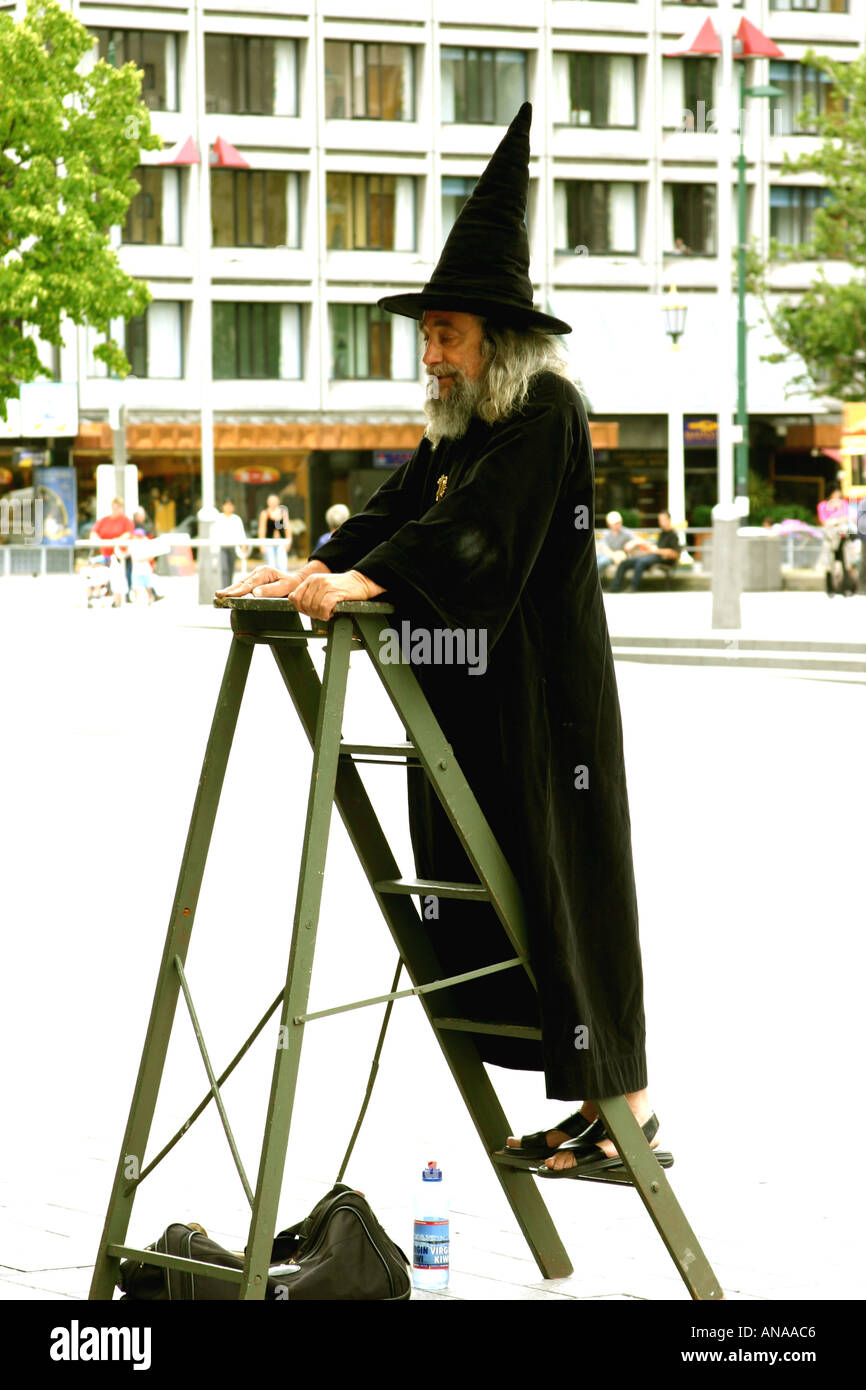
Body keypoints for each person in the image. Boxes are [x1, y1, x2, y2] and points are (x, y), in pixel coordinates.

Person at [217, 103, 660, 1178]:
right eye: (426, 335)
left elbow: (474, 537)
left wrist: (370, 577)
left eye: (445, 333)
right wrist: (316, 566)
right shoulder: (457, 429)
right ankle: (596, 1107)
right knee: (495, 891)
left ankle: (627, 1112)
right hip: (474, 702)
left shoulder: (545, 412)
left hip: (545, 713)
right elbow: (395, 512)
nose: (431, 352)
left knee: (562, 891)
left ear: (495, 340)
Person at [610, 510, 682, 592]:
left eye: (663, 520)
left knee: (641, 562)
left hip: (664, 559)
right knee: (625, 562)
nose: (660, 522)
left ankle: (633, 587)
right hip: (654, 556)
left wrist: (656, 550)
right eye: (659, 520)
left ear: (669, 520)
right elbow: (656, 547)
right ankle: (615, 588)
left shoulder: (673, 535)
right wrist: (647, 547)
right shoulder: (662, 533)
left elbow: (675, 554)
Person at [90, 497, 134, 607]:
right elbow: (94, 532)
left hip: (119, 556)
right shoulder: (104, 520)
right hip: (105, 555)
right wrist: (97, 539)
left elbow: (128, 534)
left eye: (117, 507)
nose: (115, 510)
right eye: (113, 507)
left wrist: (117, 540)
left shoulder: (126, 520)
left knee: (119, 577)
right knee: (95, 570)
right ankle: (94, 595)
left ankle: (118, 599)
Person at [211, 499, 249, 591]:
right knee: (224, 569)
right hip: (222, 547)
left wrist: (243, 545)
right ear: (223, 507)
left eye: (230, 505)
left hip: (233, 547)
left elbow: (241, 533)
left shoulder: (236, 518)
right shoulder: (218, 518)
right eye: (226, 505)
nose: (228, 507)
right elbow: (214, 533)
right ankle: (224, 588)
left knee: (231, 569)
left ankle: (230, 588)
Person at [596, 511, 640, 579]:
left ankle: (593, 579)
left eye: (619, 522)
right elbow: (605, 548)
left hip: (619, 557)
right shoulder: (606, 534)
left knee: (603, 561)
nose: (617, 525)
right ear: (609, 524)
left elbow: (639, 540)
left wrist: (633, 543)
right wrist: (613, 555)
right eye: (615, 523)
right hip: (610, 555)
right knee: (595, 558)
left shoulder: (626, 532)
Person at [258, 494, 293, 571]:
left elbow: (287, 527)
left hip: (281, 541)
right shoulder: (265, 513)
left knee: (282, 565)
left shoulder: (283, 512)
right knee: (271, 565)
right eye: (271, 501)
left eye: (274, 501)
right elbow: (262, 528)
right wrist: (261, 544)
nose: (273, 503)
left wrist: (289, 540)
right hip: (269, 541)